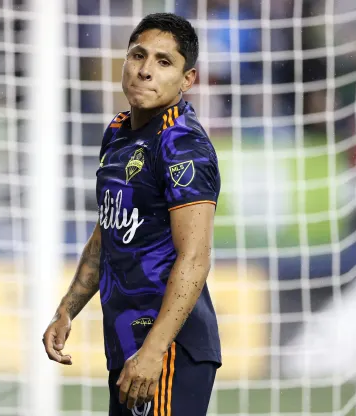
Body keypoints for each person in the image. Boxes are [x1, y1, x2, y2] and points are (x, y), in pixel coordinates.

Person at [43, 13, 222, 415]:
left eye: (163, 62)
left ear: (187, 79)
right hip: (127, 342)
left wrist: (154, 351)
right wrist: (66, 311)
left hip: (167, 349)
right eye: (137, 56)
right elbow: (106, 234)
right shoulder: (118, 131)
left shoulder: (183, 145)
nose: (144, 70)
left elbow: (195, 257)